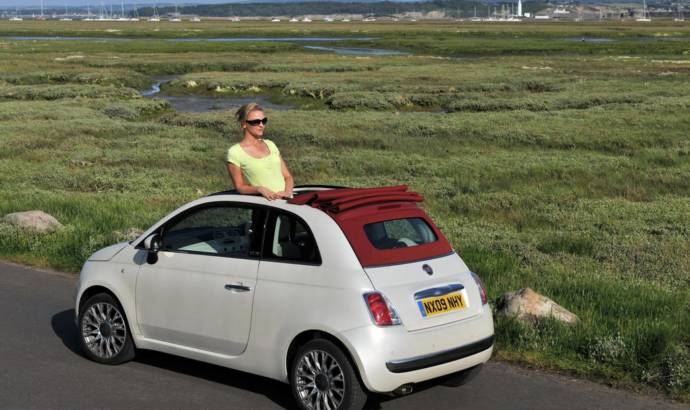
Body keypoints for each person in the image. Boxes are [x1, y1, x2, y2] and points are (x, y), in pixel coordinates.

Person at [227, 103, 294, 200]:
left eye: (264, 121)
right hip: (265, 206)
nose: (261, 125)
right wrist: (260, 189)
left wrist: (287, 192)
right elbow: (240, 187)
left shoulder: (270, 145)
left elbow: (288, 177)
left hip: (288, 205)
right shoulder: (235, 152)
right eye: (256, 122)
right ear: (243, 124)